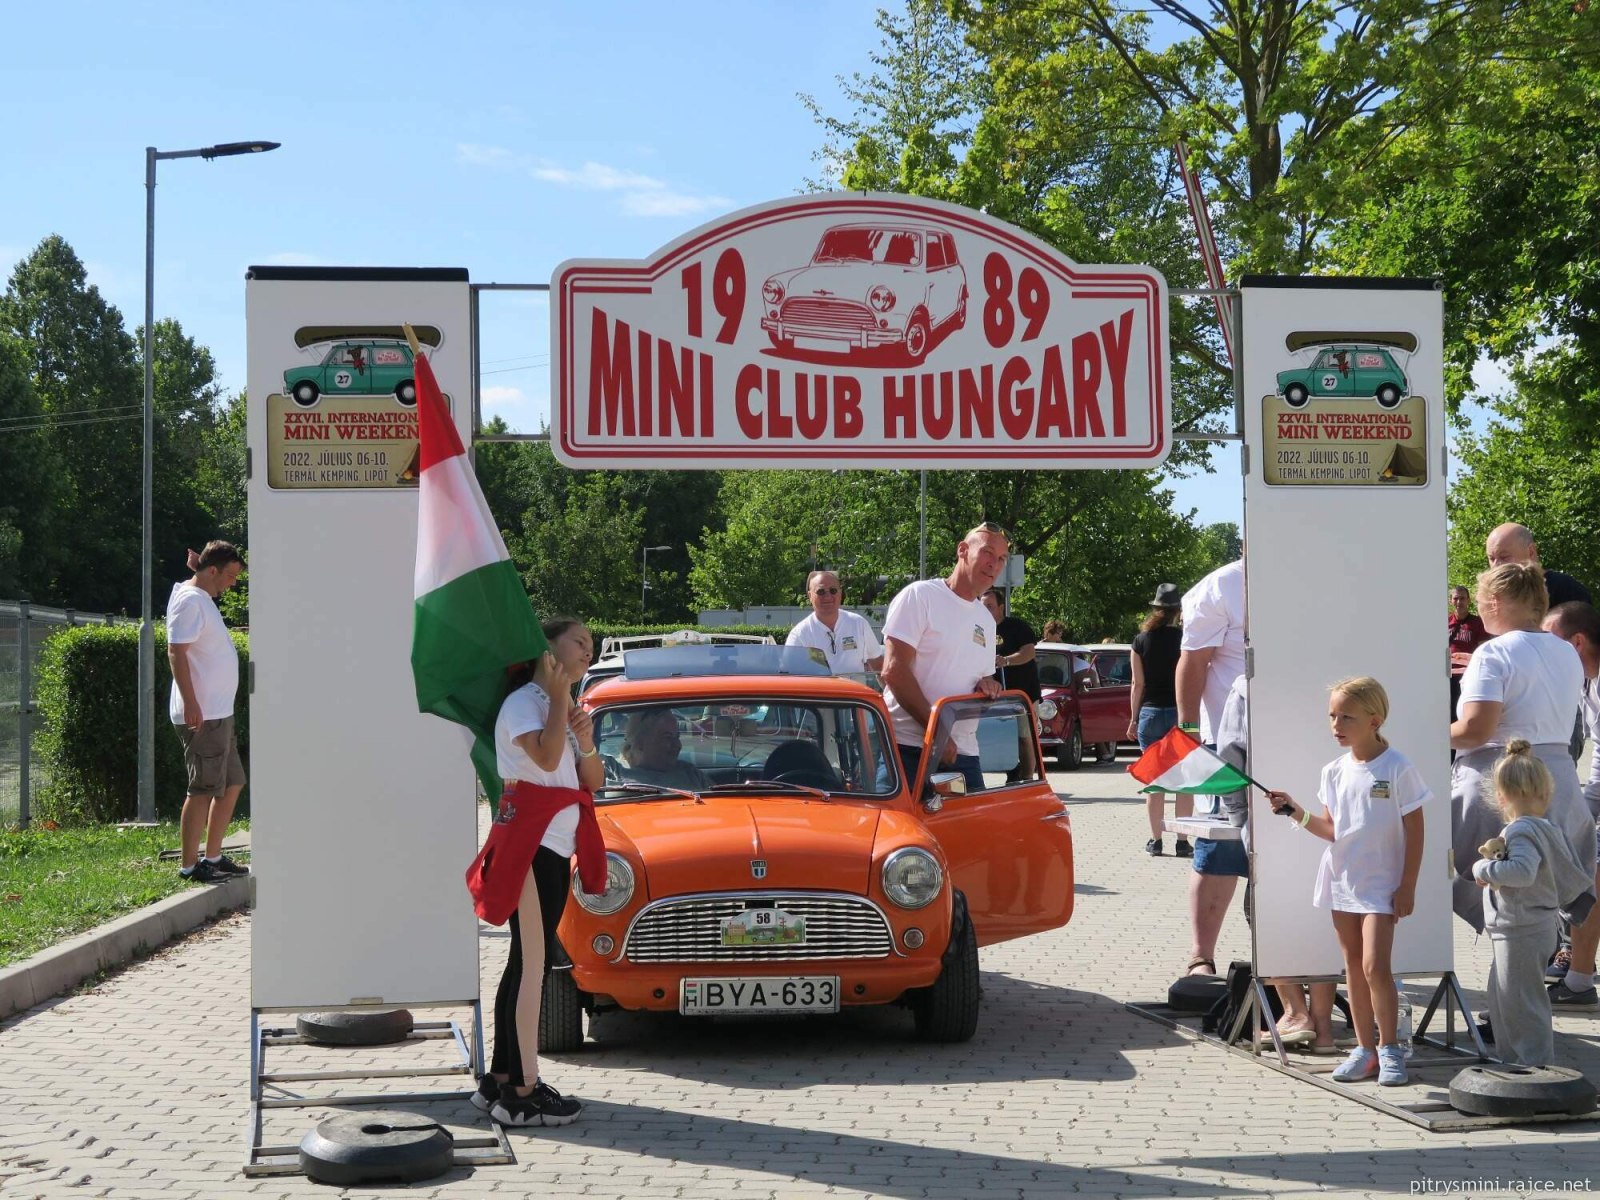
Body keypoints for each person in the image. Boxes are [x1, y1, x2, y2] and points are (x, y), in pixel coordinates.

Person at [472, 616, 603, 1128]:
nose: (589, 650)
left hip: (552, 845)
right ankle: (521, 1094)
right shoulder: (526, 703)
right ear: (546, 649)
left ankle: (502, 1077)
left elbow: (591, 779)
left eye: (592, 644)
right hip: (530, 846)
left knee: (524, 962)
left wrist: (585, 740)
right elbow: (547, 761)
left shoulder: (558, 706)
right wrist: (558, 697)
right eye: (579, 642)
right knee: (533, 965)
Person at [1268, 677, 1427, 1086]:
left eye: (1347, 717)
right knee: (1353, 966)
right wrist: (1294, 811)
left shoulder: (1397, 767)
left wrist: (1408, 885)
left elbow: (1415, 830)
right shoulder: (1333, 771)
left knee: (1376, 966)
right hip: (1342, 880)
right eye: (1332, 716)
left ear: (1374, 720)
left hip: (1382, 885)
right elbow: (1332, 829)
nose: (1336, 725)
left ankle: (1390, 1048)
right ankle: (1365, 1050)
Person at [1451, 564, 1592, 934]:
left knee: (1500, 904)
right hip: (1557, 783)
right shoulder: (1566, 652)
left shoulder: (1492, 653)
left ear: (1495, 602)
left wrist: (1429, 733)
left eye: (1480, 601)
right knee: (1540, 902)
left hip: (1500, 786)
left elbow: (1475, 730)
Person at [1472, 740, 1597, 1065]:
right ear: (1546, 792)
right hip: (1524, 928)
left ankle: (1535, 1066)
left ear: (1500, 796)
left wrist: (1483, 868)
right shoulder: (1542, 827)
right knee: (1502, 999)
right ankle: (1514, 1062)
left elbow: (1522, 872)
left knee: (1522, 1003)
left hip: (1522, 929)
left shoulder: (1520, 832)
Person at [881, 522, 1007, 791]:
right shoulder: (920, 596)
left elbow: (982, 680)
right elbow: (893, 670)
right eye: (987, 553)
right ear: (963, 550)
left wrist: (988, 687)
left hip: (963, 753)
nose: (994, 564)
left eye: (1001, 559)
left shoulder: (986, 620)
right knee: (900, 821)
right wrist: (937, 730)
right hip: (908, 749)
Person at [1175, 558, 1247, 973]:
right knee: (1220, 847)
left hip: (1294, 739)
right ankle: (1201, 958)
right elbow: (1193, 660)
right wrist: (1188, 731)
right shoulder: (1222, 585)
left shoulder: (1310, 573)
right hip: (1226, 742)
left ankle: (1291, 962)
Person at [168, 541, 250, 883]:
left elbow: (203, 577)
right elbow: (176, 652)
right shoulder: (190, 601)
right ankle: (190, 866)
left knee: (232, 783)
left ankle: (213, 856)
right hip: (202, 715)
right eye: (230, 576)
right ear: (213, 570)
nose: (233, 583)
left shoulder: (199, 594)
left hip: (218, 713)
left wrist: (198, 568)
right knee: (202, 788)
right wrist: (191, 703)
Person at [1542, 601, 1600, 1007]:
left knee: (1589, 874)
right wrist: (1583, 806)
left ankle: (1579, 978)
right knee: (1585, 869)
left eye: (1551, 642)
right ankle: (1579, 978)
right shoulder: (1586, 683)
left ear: (1576, 643)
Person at [1129, 583, 1185, 855]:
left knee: (1155, 781)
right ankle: (1183, 841)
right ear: (1178, 610)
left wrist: (1133, 719)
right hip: (1179, 714)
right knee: (1184, 779)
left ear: (1155, 608)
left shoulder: (1140, 641)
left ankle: (1156, 841)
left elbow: (1137, 685)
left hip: (1149, 714)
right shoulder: (1185, 640)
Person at [786, 570, 883, 675]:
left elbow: (879, 666)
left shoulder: (859, 624)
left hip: (854, 686)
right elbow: (790, 674)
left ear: (840, 593)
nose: (828, 596)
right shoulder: (800, 634)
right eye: (821, 591)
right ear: (810, 596)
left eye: (833, 590)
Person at [1486, 523, 1592, 608]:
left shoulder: (1567, 591)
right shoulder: (1493, 598)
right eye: (1491, 558)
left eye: (1504, 557)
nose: (1496, 566)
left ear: (1531, 552)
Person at [618, 708, 710, 791]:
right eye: (667, 737)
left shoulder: (691, 774)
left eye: (677, 737)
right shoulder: (617, 775)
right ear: (640, 742)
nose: (678, 745)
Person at [982, 588, 1039, 704]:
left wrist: (1006, 661)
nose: (985, 611)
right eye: (982, 607)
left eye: (989, 607)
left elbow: (1029, 652)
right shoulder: (980, 631)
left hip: (1024, 697)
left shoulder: (1017, 626)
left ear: (1001, 608)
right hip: (994, 697)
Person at [1449, 585, 1491, 718]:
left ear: (1468, 600)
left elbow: (1484, 649)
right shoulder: (1445, 621)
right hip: (1447, 675)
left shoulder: (1477, 623)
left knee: (1463, 711)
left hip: (1467, 674)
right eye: (1456, 598)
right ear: (1451, 600)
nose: (1459, 602)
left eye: (1462, 598)